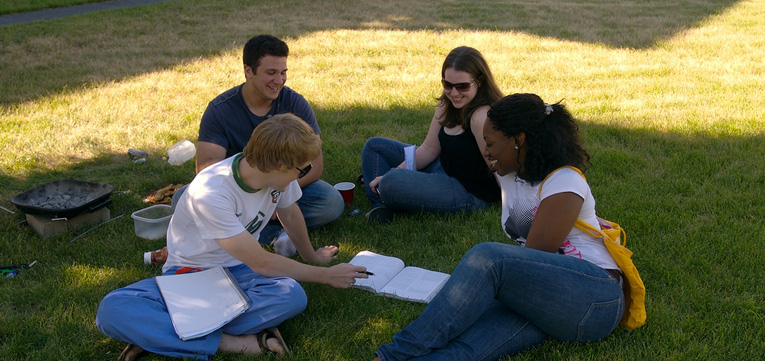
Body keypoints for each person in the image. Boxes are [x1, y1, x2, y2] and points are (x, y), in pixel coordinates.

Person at [372, 94, 625, 360]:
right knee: (468, 346)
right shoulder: (510, 173)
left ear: (519, 140)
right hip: (548, 301)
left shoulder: (564, 182)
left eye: (490, 143)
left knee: (488, 259)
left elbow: (534, 259)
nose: (485, 152)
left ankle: (392, 355)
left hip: (595, 299)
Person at [97, 114, 369, 361]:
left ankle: (164, 333)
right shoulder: (212, 192)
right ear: (277, 163)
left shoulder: (277, 180)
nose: (304, 176)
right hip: (191, 275)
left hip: (240, 272)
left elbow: (290, 212)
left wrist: (314, 258)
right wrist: (326, 276)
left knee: (293, 295)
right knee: (112, 309)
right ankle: (234, 343)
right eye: (302, 170)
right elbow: (263, 263)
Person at [192, 34, 343, 252]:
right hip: (236, 194)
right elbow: (206, 169)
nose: (279, 80)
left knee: (331, 202)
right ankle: (268, 232)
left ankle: (256, 233)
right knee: (184, 199)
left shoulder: (294, 103)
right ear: (248, 71)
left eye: (283, 73)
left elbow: (314, 166)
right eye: (271, 73)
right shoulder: (220, 110)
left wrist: (275, 195)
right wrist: (258, 198)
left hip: (286, 187)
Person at [360, 46, 503, 223]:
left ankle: (384, 193)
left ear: (479, 81)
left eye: (462, 86)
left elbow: (497, 167)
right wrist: (396, 172)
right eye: (447, 85)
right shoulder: (447, 104)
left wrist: (515, 204)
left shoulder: (481, 117)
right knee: (375, 147)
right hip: (442, 167)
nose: (454, 93)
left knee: (391, 182)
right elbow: (429, 148)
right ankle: (381, 205)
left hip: (467, 191)